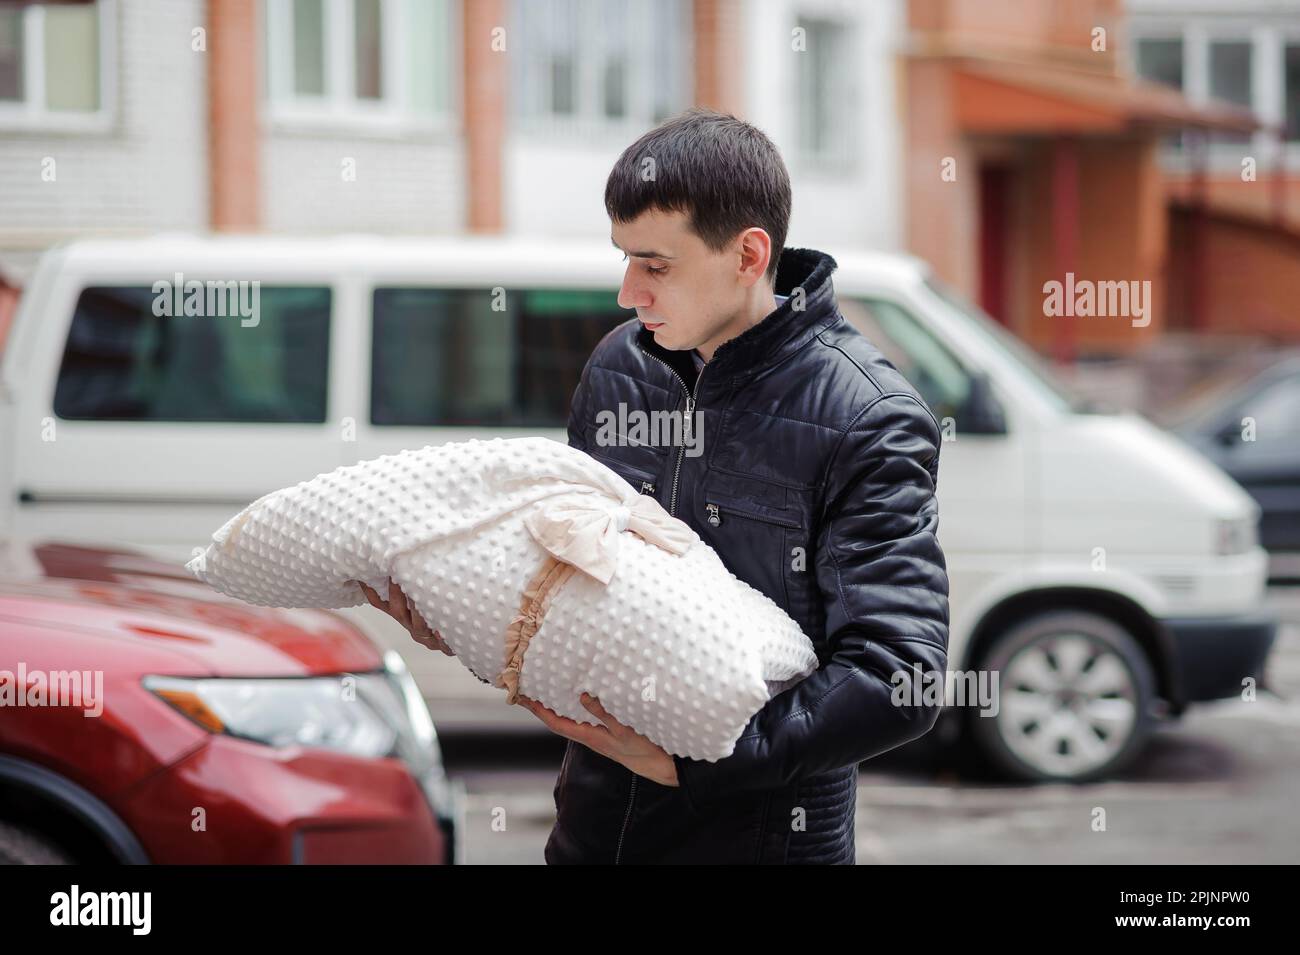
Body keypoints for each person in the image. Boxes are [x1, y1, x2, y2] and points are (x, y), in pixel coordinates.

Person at [367, 106, 950, 864]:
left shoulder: (865, 416)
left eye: (655, 264)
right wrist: (469, 623)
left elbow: (898, 671)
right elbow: (569, 580)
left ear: (748, 255)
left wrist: (700, 763)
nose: (626, 292)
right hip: (591, 831)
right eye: (624, 257)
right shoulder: (620, 367)